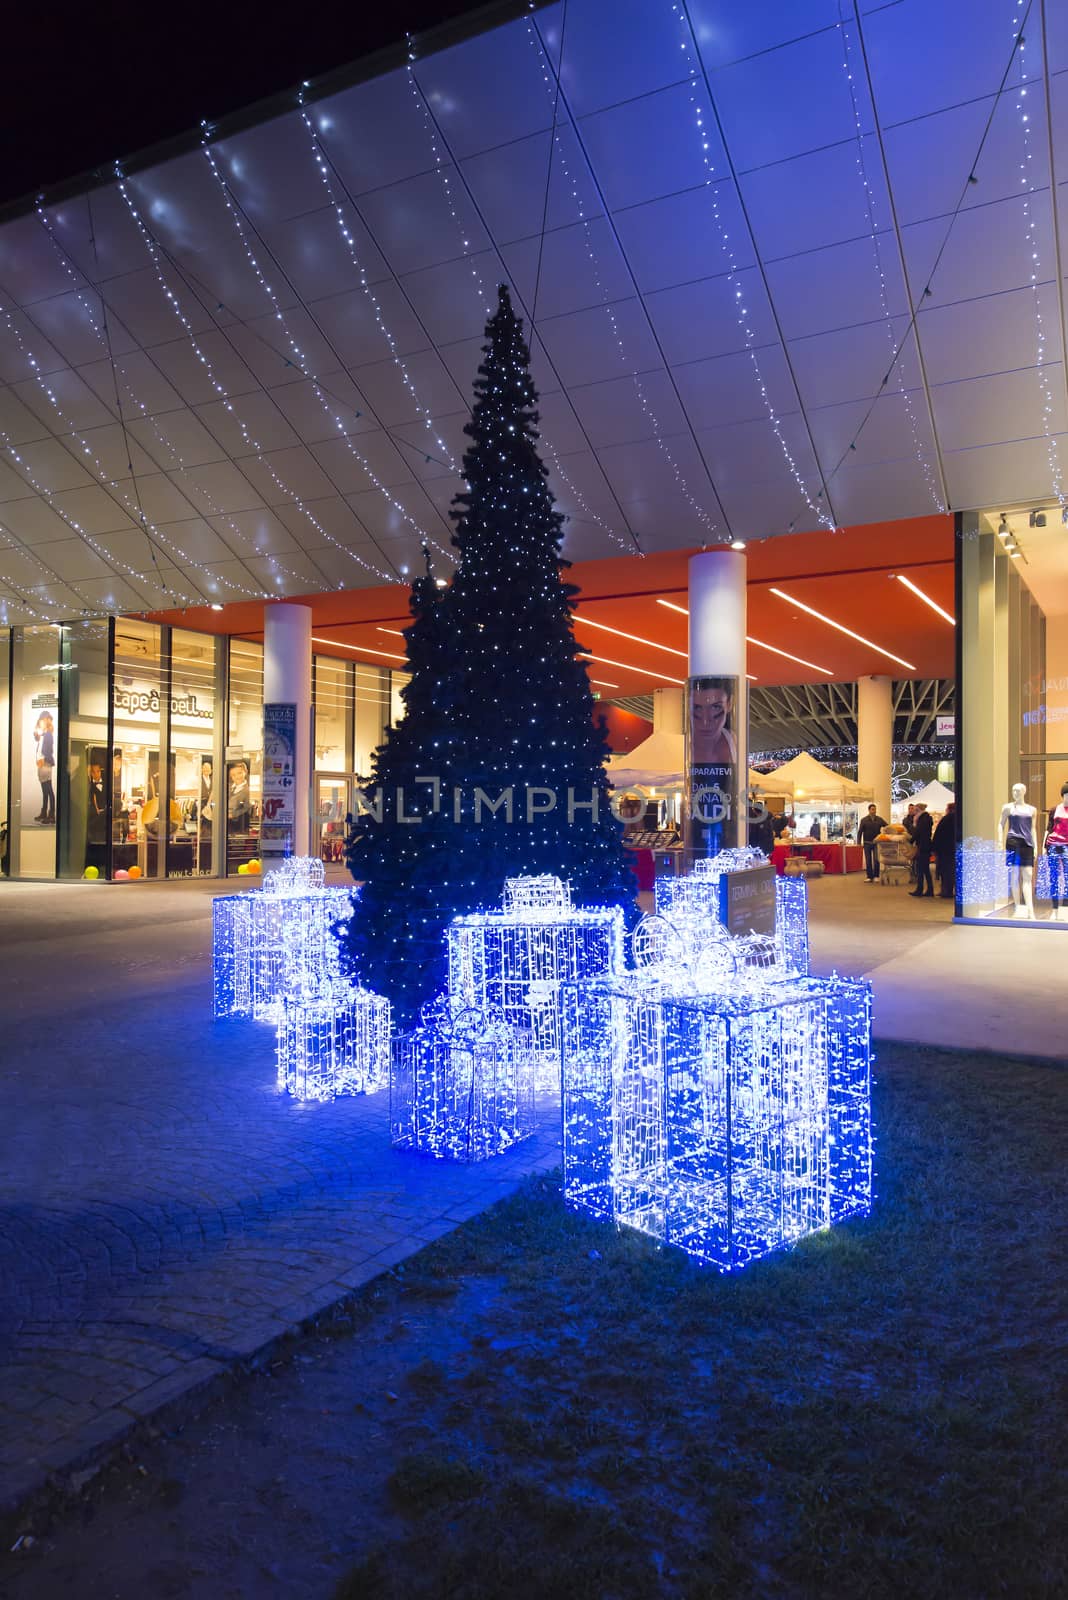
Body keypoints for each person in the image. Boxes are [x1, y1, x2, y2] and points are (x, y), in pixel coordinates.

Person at [690, 680, 736, 767]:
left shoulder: (733, 740)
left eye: (715, 707)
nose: (705, 721)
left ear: (729, 704)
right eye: (697, 708)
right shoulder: (683, 748)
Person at [34, 712, 56, 824]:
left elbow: (48, 751)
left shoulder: (48, 734)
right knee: (45, 790)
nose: (40, 723)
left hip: (45, 764)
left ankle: (51, 814)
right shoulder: (44, 734)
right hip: (42, 764)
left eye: (42, 720)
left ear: (46, 720)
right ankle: (44, 813)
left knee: (48, 789)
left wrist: (43, 760)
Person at [857, 802, 888, 882]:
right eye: (872, 809)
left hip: (876, 843)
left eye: (875, 809)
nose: (874, 811)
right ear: (869, 810)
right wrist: (858, 842)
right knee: (868, 860)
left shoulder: (879, 819)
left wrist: (886, 834)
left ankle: (876, 876)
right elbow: (860, 832)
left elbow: (887, 826)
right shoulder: (864, 820)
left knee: (876, 860)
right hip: (867, 843)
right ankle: (869, 876)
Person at [85, 762, 107, 873]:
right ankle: (94, 866)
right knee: (94, 843)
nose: (96, 774)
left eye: (97, 771)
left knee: (103, 842)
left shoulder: (107, 784)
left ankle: (103, 865)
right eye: (93, 772)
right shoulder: (88, 786)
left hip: (104, 820)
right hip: (93, 819)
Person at [932, 801, 956, 899]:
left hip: (944, 849)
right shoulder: (959, 818)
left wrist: (934, 847)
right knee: (952, 870)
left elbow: (939, 834)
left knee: (945, 871)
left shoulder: (947, 819)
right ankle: (949, 890)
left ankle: (946, 890)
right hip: (953, 848)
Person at [910, 803, 934, 897]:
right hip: (926, 846)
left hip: (923, 847)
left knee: (921, 869)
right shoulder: (926, 818)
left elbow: (918, 832)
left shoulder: (922, 819)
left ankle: (919, 890)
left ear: (919, 810)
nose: (914, 812)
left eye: (915, 810)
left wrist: (911, 841)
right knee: (925, 869)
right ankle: (929, 890)